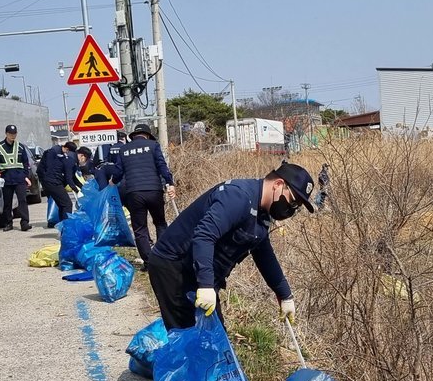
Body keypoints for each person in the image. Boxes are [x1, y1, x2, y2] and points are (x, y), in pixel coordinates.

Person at [148, 161, 315, 331]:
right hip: (173, 267)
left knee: (213, 339)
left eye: (298, 207)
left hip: (196, 271)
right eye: (293, 202)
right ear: (278, 185)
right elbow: (204, 236)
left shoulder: (261, 215)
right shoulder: (238, 197)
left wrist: (285, 295)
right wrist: (205, 285)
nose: (292, 210)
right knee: (190, 340)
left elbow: (265, 255)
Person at [114, 124, 174, 268]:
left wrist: (112, 181)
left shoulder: (124, 149)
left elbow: (118, 172)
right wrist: (170, 182)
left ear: (133, 136)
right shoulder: (153, 146)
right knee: (160, 223)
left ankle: (148, 262)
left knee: (140, 228)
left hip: (134, 193)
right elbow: (162, 166)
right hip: (154, 191)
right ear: (147, 135)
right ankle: (162, 258)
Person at [0, 124, 32, 232]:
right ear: (6, 134)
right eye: (10, 134)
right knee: (7, 202)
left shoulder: (21, 146)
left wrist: (26, 176)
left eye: (14, 134)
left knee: (22, 200)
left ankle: (25, 223)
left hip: (19, 178)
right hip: (6, 178)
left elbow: (25, 162)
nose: (13, 136)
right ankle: (8, 223)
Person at [38, 140, 78, 227]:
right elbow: (68, 178)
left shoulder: (60, 154)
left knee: (62, 204)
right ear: (66, 149)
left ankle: (62, 227)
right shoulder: (56, 153)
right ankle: (65, 227)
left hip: (51, 181)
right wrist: (76, 189)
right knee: (67, 204)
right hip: (52, 181)